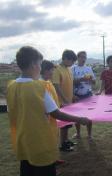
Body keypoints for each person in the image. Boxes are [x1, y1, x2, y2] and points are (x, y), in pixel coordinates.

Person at [6, 46, 90, 176]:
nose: (40, 68)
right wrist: (80, 119)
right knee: (44, 169)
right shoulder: (40, 87)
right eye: (40, 64)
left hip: (23, 140)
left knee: (26, 167)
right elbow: (56, 113)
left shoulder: (11, 86)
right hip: (41, 141)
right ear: (34, 64)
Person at [52, 49, 77, 151]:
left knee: (67, 123)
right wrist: (64, 100)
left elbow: (69, 84)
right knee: (63, 124)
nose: (73, 63)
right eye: (72, 61)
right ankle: (63, 144)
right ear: (66, 58)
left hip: (68, 102)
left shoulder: (68, 69)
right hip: (61, 102)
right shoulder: (57, 69)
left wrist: (73, 96)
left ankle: (66, 140)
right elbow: (56, 86)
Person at [71, 51, 95, 139]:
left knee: (89, 115)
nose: (83, 59)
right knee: (77, 115)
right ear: (77, 58)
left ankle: (89, 134)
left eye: (84, 57)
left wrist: (91, 80)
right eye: (81, 57)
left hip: (88, 94)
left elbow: (94, 82)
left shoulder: (89, 69)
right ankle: (78, 133)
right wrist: (82, 79)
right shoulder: (72, 69)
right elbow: (71, 82)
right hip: (76, 95)